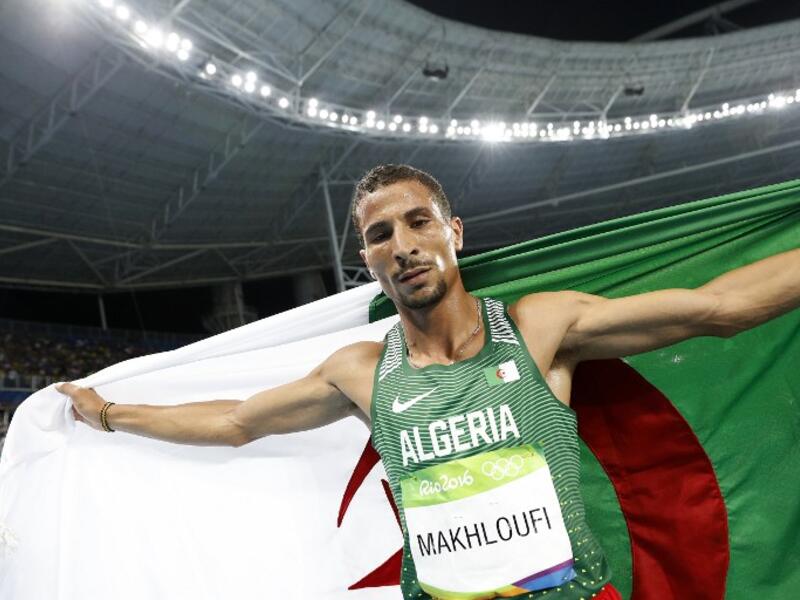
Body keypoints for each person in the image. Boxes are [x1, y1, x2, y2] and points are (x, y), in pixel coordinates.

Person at [56, 164, 800, 600]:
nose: (404, 245)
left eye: (419, 223)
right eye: (382, 235)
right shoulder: (361, 372)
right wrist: (111, 413)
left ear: (455, 234)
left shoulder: (540, 328)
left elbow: (721, 309)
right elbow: (237, 421)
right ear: (367, 260)